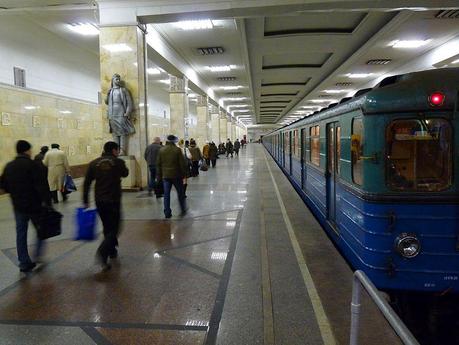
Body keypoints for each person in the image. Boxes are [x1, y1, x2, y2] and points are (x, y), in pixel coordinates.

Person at [0, 140, 51, 272]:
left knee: (21, 234)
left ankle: (24, 262)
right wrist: (47, 203)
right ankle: (38, 254)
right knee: (41, 230)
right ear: (27, 150)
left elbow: (4, 186)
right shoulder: (33, 165)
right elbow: (42, 186)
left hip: (18, 206)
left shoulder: (9, 166)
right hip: (34, 206)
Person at [83, 141, 129, 270]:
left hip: (99, 200)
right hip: (113, 199)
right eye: (117, 150)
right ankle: (103, 251)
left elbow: (87, 182)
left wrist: (85, 200)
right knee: (115, 228)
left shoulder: (94, 163)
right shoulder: (118, 162)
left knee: (107, 226)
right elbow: (125, 173)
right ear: (114, 150)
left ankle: (112, 250)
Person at [156, 135, 187, 219]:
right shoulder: (177, 150)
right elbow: (182, 164)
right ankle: (183, 209)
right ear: (174, 141)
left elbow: (158, 165)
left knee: (166, 194)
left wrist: (158, 177)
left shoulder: (161, 150)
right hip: (177, 175)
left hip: (166, 176)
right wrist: (184, 175)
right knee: (180, 193)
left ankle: (167, 212)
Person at [105, 73, 135, 155]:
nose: (118, 80)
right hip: (112, 113)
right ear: (113, 80)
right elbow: (106, 102)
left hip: (121, 112)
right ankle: (116, 151)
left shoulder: (123, 90)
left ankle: (122, 151)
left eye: (119, 79)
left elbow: (129, 102)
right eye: (116, 79)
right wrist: (107, 94)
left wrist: (127, 112)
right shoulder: (110, 91)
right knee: (115, 133)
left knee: (122, 132)